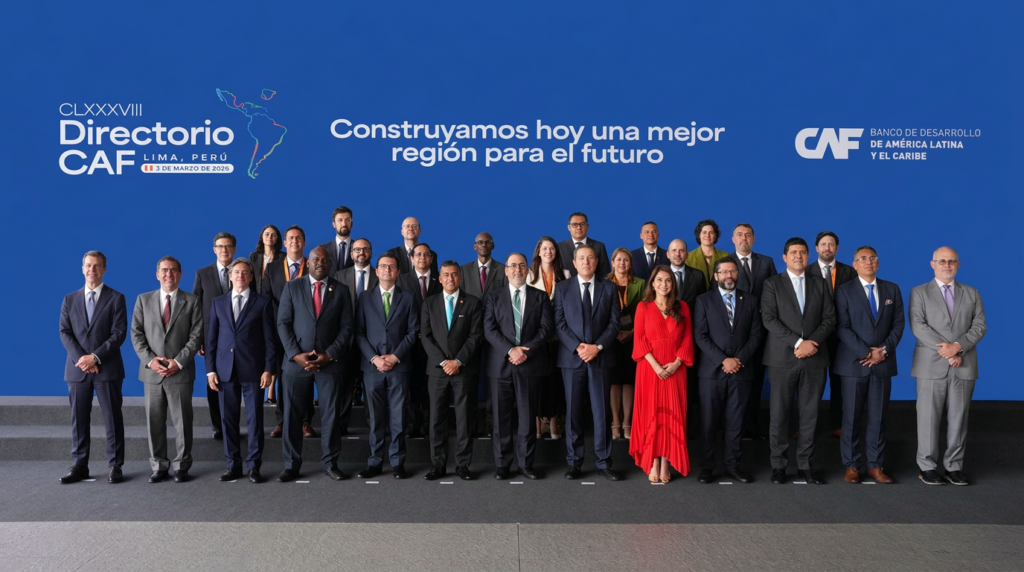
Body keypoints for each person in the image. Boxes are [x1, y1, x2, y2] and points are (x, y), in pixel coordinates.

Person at [275, 246, 354, 482]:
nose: (320, 263)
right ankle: (291, 465)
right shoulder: (292, 287)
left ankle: (330, 463)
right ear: (308, 263)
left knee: (331, 416)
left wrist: (329, 355)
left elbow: (347, 327)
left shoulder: (341, 290)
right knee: (292, 416)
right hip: (296, 364)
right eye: (316, 259)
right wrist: (295, 354)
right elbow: (283, 324)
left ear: (330, 264)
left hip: (330, 363)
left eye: (325, 260)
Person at [760, 238, 836, 485]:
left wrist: (811, 343)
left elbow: (829, 318)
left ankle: (806, 466)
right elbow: (769, 319)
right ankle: (779, 466)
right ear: (784, 257)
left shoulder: (820, 283)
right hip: (782, 359)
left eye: (802, 252)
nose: (798, 256)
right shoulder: (772, 283)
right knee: (779, 415)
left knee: (810, 416)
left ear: (808, 256)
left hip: (815, 358)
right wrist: (798, 343)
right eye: (793, 252)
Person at [910, 246, 986, 486]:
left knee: (958, 420)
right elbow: (918, 326)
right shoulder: (919, 292)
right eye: (942, 261)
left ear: (958, 265)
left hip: (963, 364)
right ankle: (927, 467)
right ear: (932, 264)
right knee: (927, 419)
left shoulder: (972, 293)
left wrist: (958, 347)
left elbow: (980, 326)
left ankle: (954, 466)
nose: (947, 265)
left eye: (951, 261)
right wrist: (948, 350)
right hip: (930, 366)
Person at [833, 246, 904, 484]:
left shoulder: (892, 289)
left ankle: (875, 465)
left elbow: (898, 324)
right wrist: (866, 352)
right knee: (851, 418)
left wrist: (883, 351)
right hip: (854, 364)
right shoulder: (844, 291)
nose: (868, 262)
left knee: (878, 417)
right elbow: (842, 327)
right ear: (854, 264)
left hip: (883, 363)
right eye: (862, 258)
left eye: (872, 258)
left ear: (878, 262)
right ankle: (852, 465)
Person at [130, 256, 203, 484]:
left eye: (173, 270)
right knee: (154, 421)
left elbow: (196, 336)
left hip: (180, 372)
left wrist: (178, 362)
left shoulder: (192, 301)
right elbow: (136, 334)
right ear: (157, 274)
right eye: (164, 270)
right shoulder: (143, 300)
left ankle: (181, 466)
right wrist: (151, 361)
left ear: (180, 274)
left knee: (183, 422)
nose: (168, 274)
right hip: (152, 373)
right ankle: (159, 465)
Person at [205, 258, 277, 484]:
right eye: (236, 272)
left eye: (245, 272)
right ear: (230, 276)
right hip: (224, 371)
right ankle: (233, 465)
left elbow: (270, 340)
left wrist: (268, 369)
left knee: (255, 420)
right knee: (228, 420)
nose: (240, 276)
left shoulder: (262, 303)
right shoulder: (218, 303)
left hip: (254, 371)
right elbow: (211, 340)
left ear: (251, 277)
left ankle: (254, 466)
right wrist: (210, 371)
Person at [553, 244, 622, 481]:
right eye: (581, 258)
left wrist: (597, 347)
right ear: (574, 263)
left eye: (590, 258)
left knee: (601, 412)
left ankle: (604, 462)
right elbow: (559, 323)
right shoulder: (563, 288)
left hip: (600, 358)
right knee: (573, 413)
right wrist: (578, 347)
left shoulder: (609, 288)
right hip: (572, 359)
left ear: (596, 262)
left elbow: (614, 324)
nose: (586, 262)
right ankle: (574, 462)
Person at [58, 251, 128, 484]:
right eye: (88, 265)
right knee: (78, 420)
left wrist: (95, 357)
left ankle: (115, 465)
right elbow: (65, 332)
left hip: (107, 368)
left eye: (97, 266)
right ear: (82, 269)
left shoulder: (116, 298)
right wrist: (83, 359)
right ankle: (80, 465)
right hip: (77, 369)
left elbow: (118, 333)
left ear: (104, 269)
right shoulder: (69, 299)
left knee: (112, 418)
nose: (92, 270)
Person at [692, 259, 763, 484]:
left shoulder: (750, 300)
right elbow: (700, 335)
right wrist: (723, 360)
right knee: (709, 421)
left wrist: (738, 360)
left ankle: (733, 466)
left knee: (736, 422)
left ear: (737, 274)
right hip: (711, 373)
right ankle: (707, 467)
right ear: (716, 276)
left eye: (732, 271)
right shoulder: (703, 300)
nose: (728, 275)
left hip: (741, 371)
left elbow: (756, 335)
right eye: (724, 272)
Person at [484, 253, 554, 480]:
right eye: (513, 265)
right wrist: (510, 350)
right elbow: (489, 329)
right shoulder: (494, 297)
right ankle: (502, 464)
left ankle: (525, 464)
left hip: (529, 364)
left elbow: (546, 329)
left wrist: (525, 351)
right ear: (506, 270)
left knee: (527, 419)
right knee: (500, 419)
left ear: (527, 270)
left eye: (522, 265)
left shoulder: (540, 297)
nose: (517, 269)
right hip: (501, 365)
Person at [355, 253, 419, 479]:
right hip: (372, 368)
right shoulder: (364, 297)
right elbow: (359, 333)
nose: (387, 270)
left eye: (391, 267)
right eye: (383, 266)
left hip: (399, 367)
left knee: (398, 417)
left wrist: (394, 357)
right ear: (376, 271)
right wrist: (375, 358)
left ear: (398, 271)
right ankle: (375, 462)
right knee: (375, 417)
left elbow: (413, 332)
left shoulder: (408, 297)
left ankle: (398, 462)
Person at [629, 265, 695, 483]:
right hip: (650, 369)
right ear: (652, 283)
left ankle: (666, 462)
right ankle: (653, 461)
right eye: (659, 280)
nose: (664, 284)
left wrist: (677, 363)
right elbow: (639, 339)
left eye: (668, 280)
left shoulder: (682, 307)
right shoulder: (643, 306)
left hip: (675, 369)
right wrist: (656, 366)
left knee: (671, 416)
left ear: (673, 284)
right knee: (652, 414)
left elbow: (687, 339)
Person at [420, 261, 484, 481]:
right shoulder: (429, 303)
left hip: (463, 369)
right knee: (436, 419)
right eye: (446, 275)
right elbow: (426, 336)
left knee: (464, 419)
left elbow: (475, 336)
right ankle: (437, 465)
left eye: (454, 274)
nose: (450, 278)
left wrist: (457, 361)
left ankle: (463, 465)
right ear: (440, 278)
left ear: (460, 277)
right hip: (437, 371)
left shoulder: (473, 303)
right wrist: (443, 361)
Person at [727, 223, 777, 440]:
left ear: (754, 239)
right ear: (733, 239)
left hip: (760, 331)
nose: (744, 238)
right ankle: (733, 429)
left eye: (748, 235)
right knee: (734, 383)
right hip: (733, 332)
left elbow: (775, 292)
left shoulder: (766, 262)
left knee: (756, 381)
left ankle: (753, 427)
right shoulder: (725, 263)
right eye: (739, 235)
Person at [265, 225, 315, 439]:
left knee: (307, 374)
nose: (294, 241)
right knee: (283, 376)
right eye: (290, 238)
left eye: (298, 238)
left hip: (306, 331)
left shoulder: (313, 266)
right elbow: (266, 300)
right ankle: (282, 421)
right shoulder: (272, 268)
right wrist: (281, 320)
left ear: (304, 242)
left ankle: (305, 421)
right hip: (281, 331)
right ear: (284, 243)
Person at [807, 231, 858, 438]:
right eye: (823, 244)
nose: (827, 248)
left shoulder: (849, 272)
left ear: (836, 248)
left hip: (842, 337)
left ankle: (838, 424)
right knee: (811, 385)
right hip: (814, 336)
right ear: (816, 248)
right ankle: (806, 427)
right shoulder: (806, 271)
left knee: (839, 383)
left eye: (831, 244)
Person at [193, 231, 236, 440]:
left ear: (234, 249)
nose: (224, 250)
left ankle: (233, 424)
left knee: (235, 380)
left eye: (228, 246)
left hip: (237, 335)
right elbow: (195, 308)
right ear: (214, 250)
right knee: (214, 379)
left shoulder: (243, 271)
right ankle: (218, 426)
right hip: (211, 336)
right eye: (220, 246)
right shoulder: (203, 274)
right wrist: (199, 339)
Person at [397, 242, 442, 438]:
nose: (422, 258)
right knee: (410, 386)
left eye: (426, 254)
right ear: (411, 258)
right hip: (410, 342)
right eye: (418, 254)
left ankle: (427, 425)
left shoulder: (441, 280)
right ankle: (411, 425)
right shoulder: (401, 280)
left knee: (430, 387)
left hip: (435, 343)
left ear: (431, 259)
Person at [526, 236, 570, 440]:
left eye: (552, 248)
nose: (548, 252)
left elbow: (569, 307)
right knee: (538, 381)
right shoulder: (529, 275)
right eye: (544, 248)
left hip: (559, 338)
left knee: (555, 382)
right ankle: (537, 424)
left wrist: (557, 331)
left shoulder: (566, 274)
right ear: (538, 251)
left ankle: (554, 423)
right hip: (537, 337)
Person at [333, 237, 376, 433]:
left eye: (365, 249)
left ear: (371, 253)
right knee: (344, 386)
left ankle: (373, 428)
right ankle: (341, 427)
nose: (361, 253)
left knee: (371, 387)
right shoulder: (339, 276)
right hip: (346, 340)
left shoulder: (379, 275)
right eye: (357, 249)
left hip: (372, 340)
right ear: (351, 254)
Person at [667, 238, 707, 438]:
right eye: (674, 250)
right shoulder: (660, 276)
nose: (678, 254)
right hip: (666, 341)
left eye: (681, 250)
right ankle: (669, 428)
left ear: (687, 254)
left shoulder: (698, 276)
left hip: (691, 339)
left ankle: (687, 430)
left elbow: (704, 306)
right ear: (668, 254)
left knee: (689, 387)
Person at [607, 247, 645, 440]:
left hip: (633, 337)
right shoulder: (605, 283)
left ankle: (627, 423)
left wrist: (632, 333)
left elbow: (645, 313)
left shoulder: (640, 283)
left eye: (626, 260)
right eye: (618, 260)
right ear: (612, 262)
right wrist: (611, 333)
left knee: (629, 380)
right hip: (610, 339)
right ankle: (615, 422)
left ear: (631, 264)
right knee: (614, 382)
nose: (622, 263)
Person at [558, 212, 611, 278]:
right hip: (567, 284)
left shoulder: (599, 246)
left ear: (587, 227)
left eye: (582, 224)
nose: (579, 227)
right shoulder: (560, 247)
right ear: (569, 227)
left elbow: (605, 273)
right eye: (574, 224)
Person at [685, 219, 730, 290]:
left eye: (711, 232)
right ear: (699, 235)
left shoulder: (725, 256)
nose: (707, 235)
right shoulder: (688, 257)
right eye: (704, 232)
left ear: (715, 236)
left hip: (719, 295)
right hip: (696, 295)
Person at [249, 224, 284, 297]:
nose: (270, 237)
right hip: (257, 296)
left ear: (277, 238)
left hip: (277, 297)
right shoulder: (254, 257)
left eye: (273, 235)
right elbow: (250, 279)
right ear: (262, 236)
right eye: (267, 234)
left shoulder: (283, 257)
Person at [317, 206, 355, 273]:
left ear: (351, 223)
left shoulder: (359, 249)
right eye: (340, 220)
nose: (344, 224)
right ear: (334, 224)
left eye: (347, 220)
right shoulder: (323, 249)